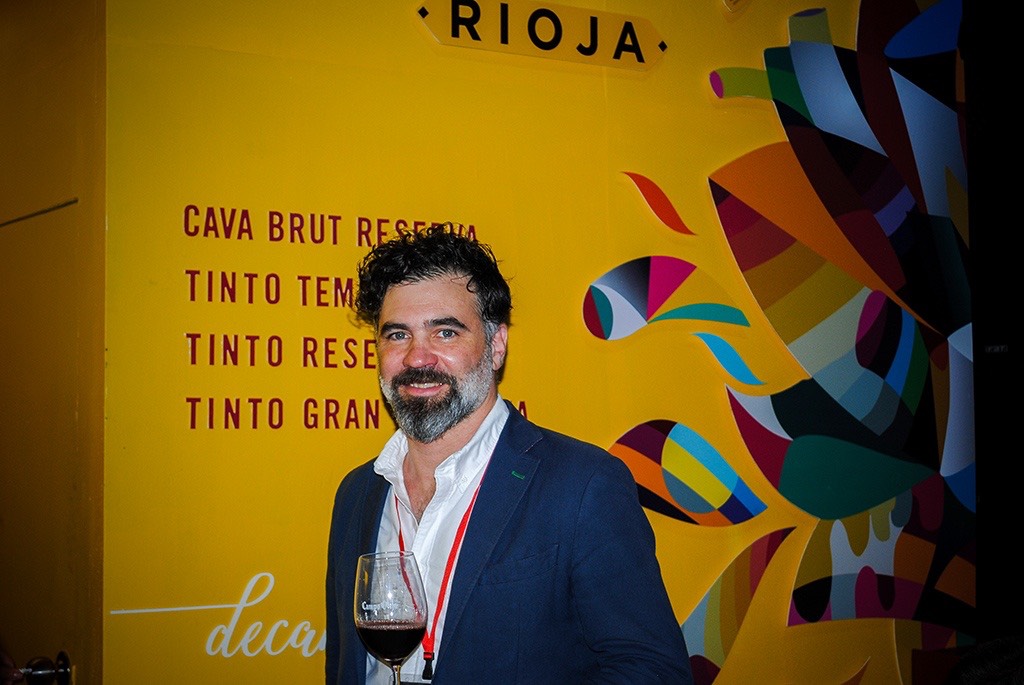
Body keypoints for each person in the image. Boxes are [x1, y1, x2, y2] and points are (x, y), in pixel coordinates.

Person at [325, 223, 693, 684]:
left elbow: (653, 671)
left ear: (496, 346)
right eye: (398, 335)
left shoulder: (583, 486)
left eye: (445, 333)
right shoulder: (356, 494)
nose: (418, 358)